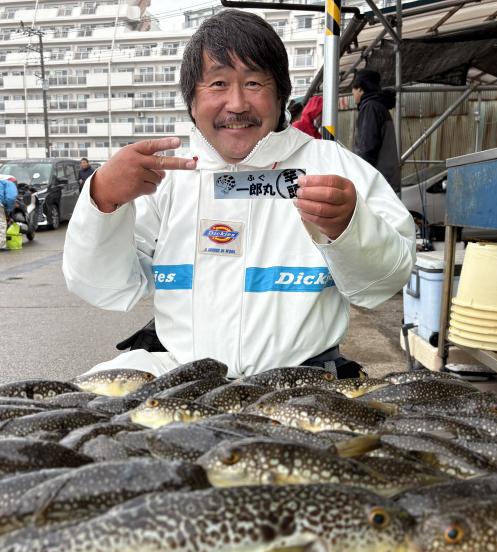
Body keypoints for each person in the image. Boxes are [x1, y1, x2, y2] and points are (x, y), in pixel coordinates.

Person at [63, 9, 415, 379]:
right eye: (217, 84)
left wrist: (350, 226)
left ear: (280, 95)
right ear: (192, 101)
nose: (236, 104)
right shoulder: (164, 177)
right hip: (186, 384)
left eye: (254, 83)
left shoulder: (333, 167)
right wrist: (103, 199)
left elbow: (385, 282)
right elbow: (103, 287)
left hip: (302, 385)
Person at [351, 70, 401, 193]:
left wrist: (360, 176)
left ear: (361, 90)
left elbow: (368, 147)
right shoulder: (379, 106)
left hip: (376, 182)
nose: (352, 93)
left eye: (353, 88)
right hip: (385, 178)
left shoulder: (370, 108)